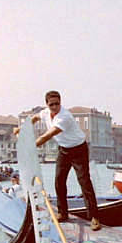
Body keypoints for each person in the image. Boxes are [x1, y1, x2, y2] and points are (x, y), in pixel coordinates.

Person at [29, 90, 100, 231]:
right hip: (64, 150)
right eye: (51, 104)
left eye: (57, 103)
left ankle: (94, 217)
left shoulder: (64, 117)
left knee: (84, 181)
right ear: (47, 104)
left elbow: (47, 136)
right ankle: (63, 213)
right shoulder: (45, 113)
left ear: (60, 102)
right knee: (59, 180)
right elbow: (35, 118)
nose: (55, 106)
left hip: (79, 149)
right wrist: (21, 129)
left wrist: (29, 145)